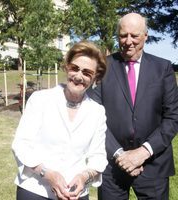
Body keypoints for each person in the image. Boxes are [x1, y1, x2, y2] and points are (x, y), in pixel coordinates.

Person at [90, 13, 178, 199]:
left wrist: (144, 151)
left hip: (154, 163)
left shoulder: (163, 68)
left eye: (134, 35)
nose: (128, 41)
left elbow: (173, 117)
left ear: (145, 36)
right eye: (123, 35)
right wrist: (119, 154)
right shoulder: (103, 67)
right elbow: (92, 116)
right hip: (112, 165)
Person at [12, 41, 108, 200]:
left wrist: (84, 177)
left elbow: (98, 156)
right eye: (74, 68)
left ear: (95, 77)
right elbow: (21, 144)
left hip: (76, 195)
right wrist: (47, 174)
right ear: (66, 67)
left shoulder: (97, 112)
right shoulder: (40, 100)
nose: (78, 76)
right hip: (35, 191)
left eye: (87, 72)